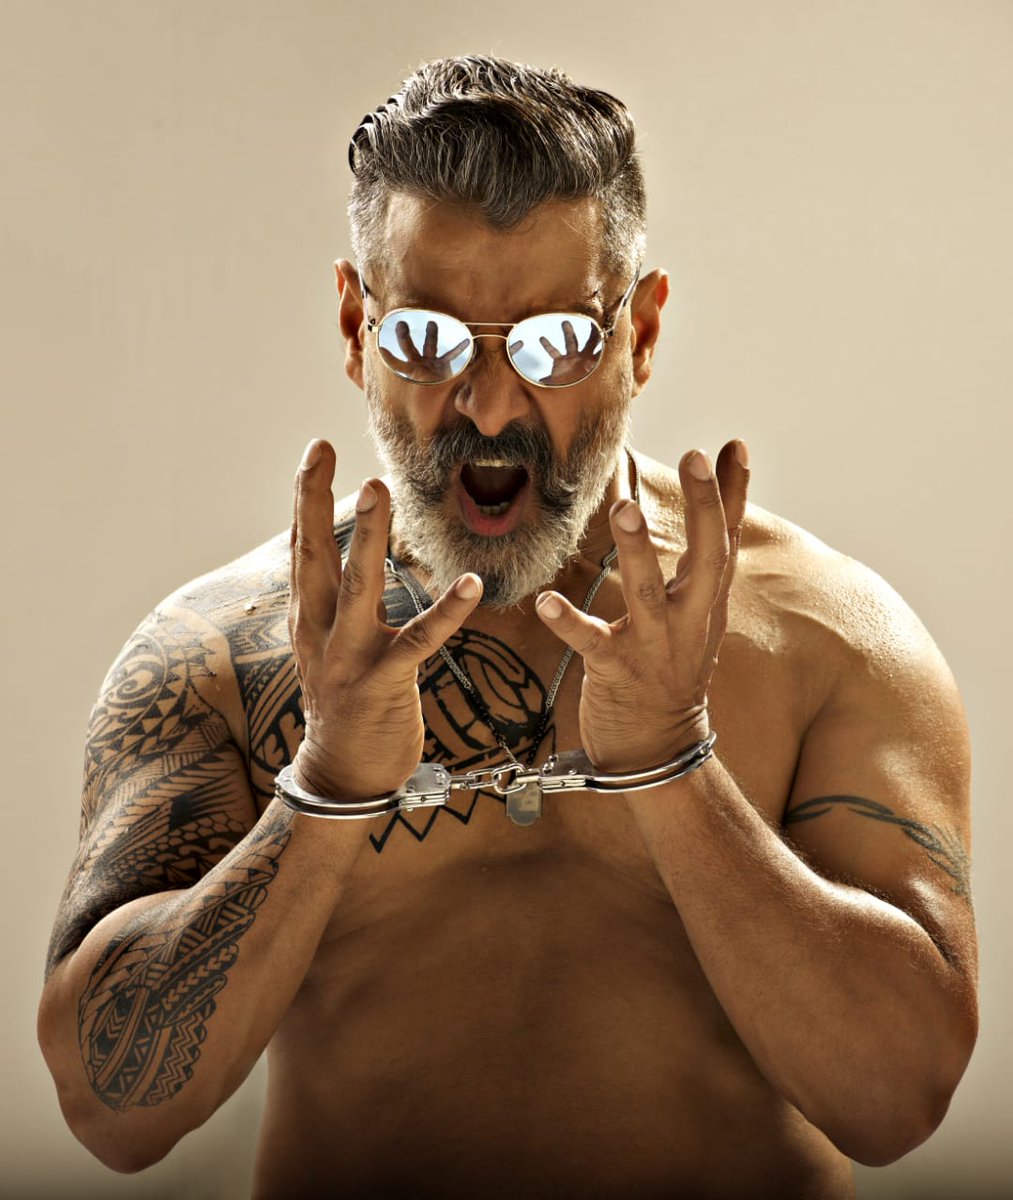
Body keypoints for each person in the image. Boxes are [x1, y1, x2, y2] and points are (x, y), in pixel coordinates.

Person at [38, 55, 977, 1199]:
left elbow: (896, 1103)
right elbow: (110, 1112)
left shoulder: (824, 636)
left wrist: (673, 766)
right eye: (427, 340)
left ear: (637, 335)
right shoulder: (223, 653)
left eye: (554, 343)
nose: (486, 408)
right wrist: (325, 790)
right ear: (356, 325)